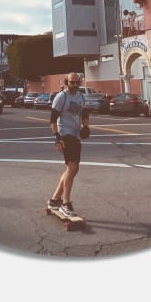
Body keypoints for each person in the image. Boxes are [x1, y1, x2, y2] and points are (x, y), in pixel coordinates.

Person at [47, 72, 90, 218]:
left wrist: (86, 127)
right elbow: (52, 118)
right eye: (72, 82)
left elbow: (84, 113)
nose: (75, 85)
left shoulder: (80, 97)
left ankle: (54, 200)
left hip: (76, 134)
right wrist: (57, 138)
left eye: (77, 82)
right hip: (65, 134)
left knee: (71, 170)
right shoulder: (62, 97)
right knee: (73, 167)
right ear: (66, 82)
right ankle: (66, 203)